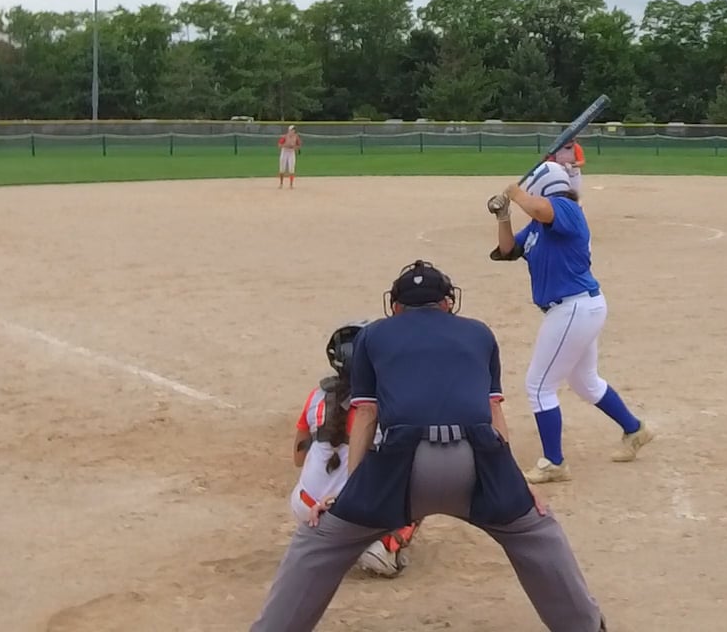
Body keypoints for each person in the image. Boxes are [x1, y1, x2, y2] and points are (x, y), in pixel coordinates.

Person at [249, 261, 608, 632]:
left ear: (396, 306)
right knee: (537, 534)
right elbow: (494, 416)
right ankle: (586, 627)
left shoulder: (373, 336)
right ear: (448, 303)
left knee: (318, 541)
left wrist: (351, 492)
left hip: (402, 464)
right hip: (478, 461)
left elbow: (367, 415)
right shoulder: (479, 333)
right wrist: (516, 482)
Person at [489, 161, 652, 484]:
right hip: (576, 309)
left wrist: (516, 194)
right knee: (585, 382)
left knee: (538, 386)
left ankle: (554, 462)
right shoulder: (537, 227)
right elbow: (507, 250)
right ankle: (635, 430)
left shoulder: (566, 209)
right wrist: (503, 216)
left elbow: (541, 209)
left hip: (573, 307)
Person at [288, 319, 416, 578]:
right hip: (349, 511)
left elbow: (298, 458)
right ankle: (384, 546)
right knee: (415, 480)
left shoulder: (316, 397)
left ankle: (325, 538)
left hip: (305, 505)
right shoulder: (388, 403)